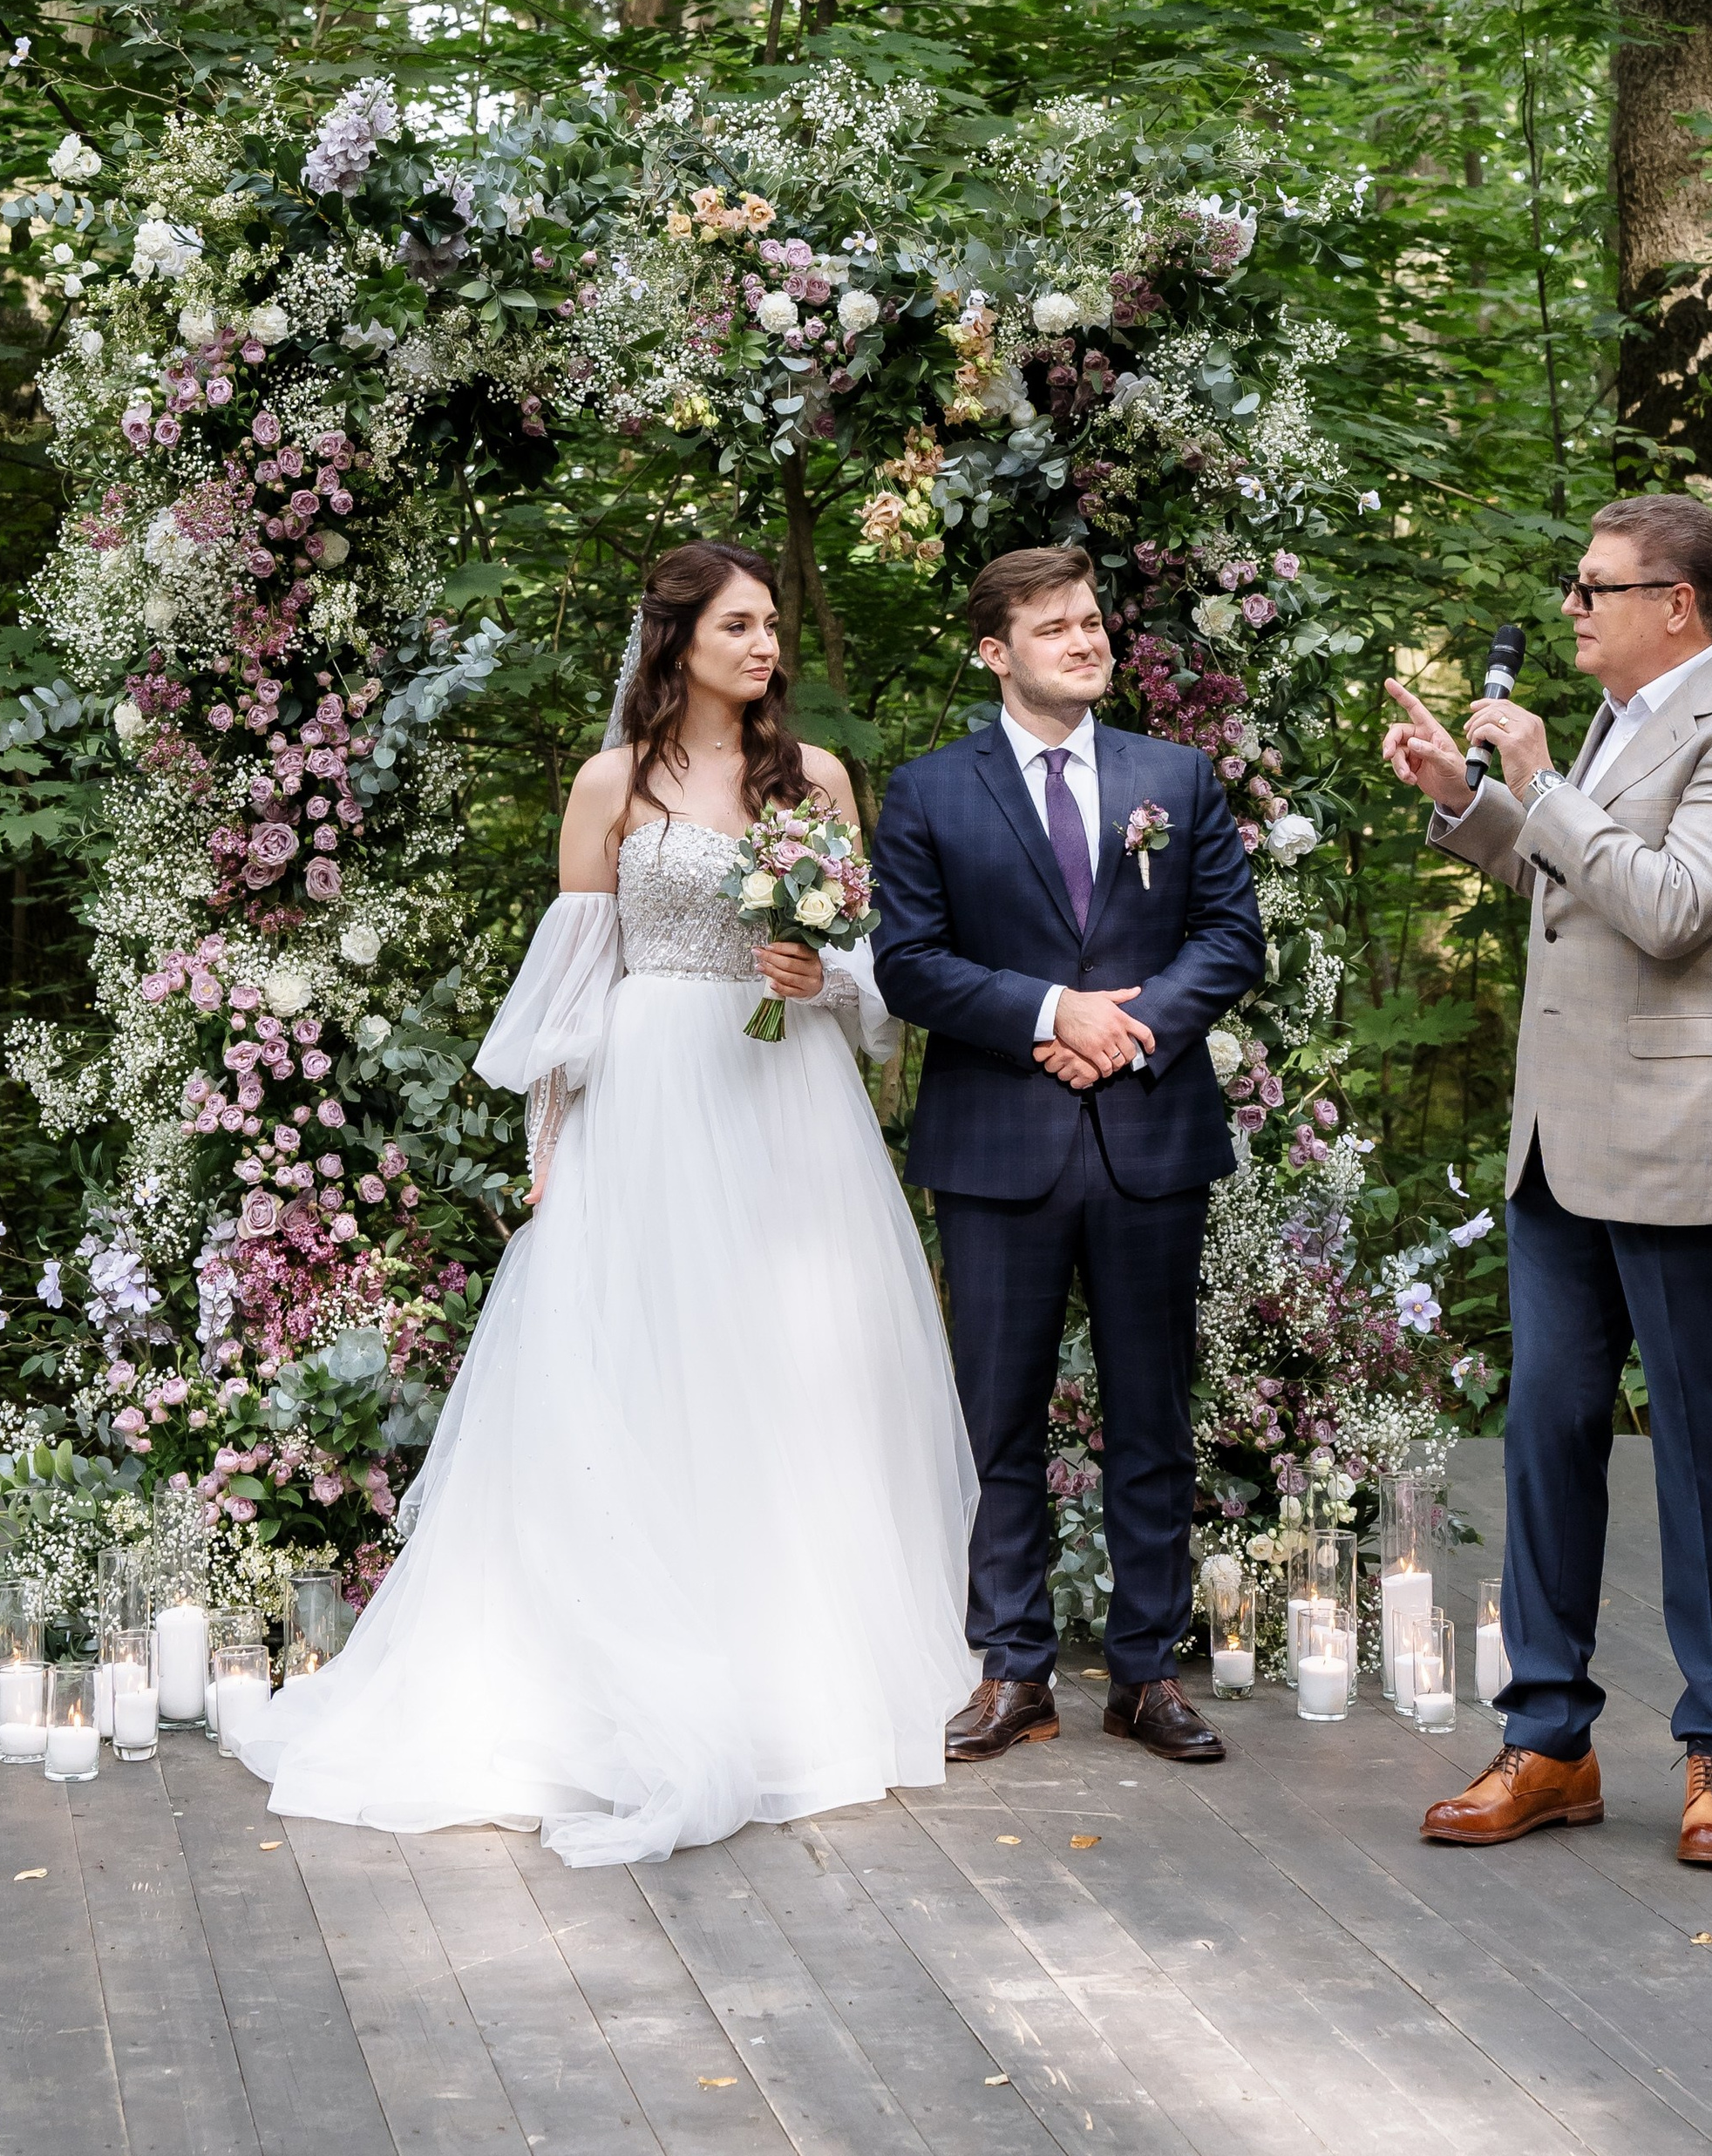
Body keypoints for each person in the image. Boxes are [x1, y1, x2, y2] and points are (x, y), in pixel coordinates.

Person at [231, 541, 976, 1866]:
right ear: (677, 639)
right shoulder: (611, 786)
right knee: (654, 1365)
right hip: (653, 1098)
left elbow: (873, 968)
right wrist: (551, 1164)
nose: (767, 649)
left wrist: (827, 983)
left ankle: (799, 1657)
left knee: (793, 1364)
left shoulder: (816, 781)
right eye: (740, 627)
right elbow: (570, 997)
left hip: (789, 1096)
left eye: (773, 629)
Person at [1381, 492, 1712, 1870]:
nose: (1571, 608)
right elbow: (1572, 884)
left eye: (1595, 587)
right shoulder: (1614, 724)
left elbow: (1674, 906)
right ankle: (1550, 1739)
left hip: (1693, 1144)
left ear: (1675, 605)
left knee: (1705, 1460)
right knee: (1547, 1438)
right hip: (1560, 1146)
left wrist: (1542, 782)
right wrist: (1473, 804)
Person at [872, 545, 1267, 1766]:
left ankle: (1146, 1675)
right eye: (1056, 629)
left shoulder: (1176, 776)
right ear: (996, 651)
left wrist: (1125, 1029)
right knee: (999, 1421)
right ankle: (1013, 1670)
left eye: (1094, 622)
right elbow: (910, 963)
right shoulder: (932, 791)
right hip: (997, 1144)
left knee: (1153, 1413)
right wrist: (1054, 1015)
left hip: (1151, 1132)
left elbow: (1228, 937)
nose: (1088, 642)